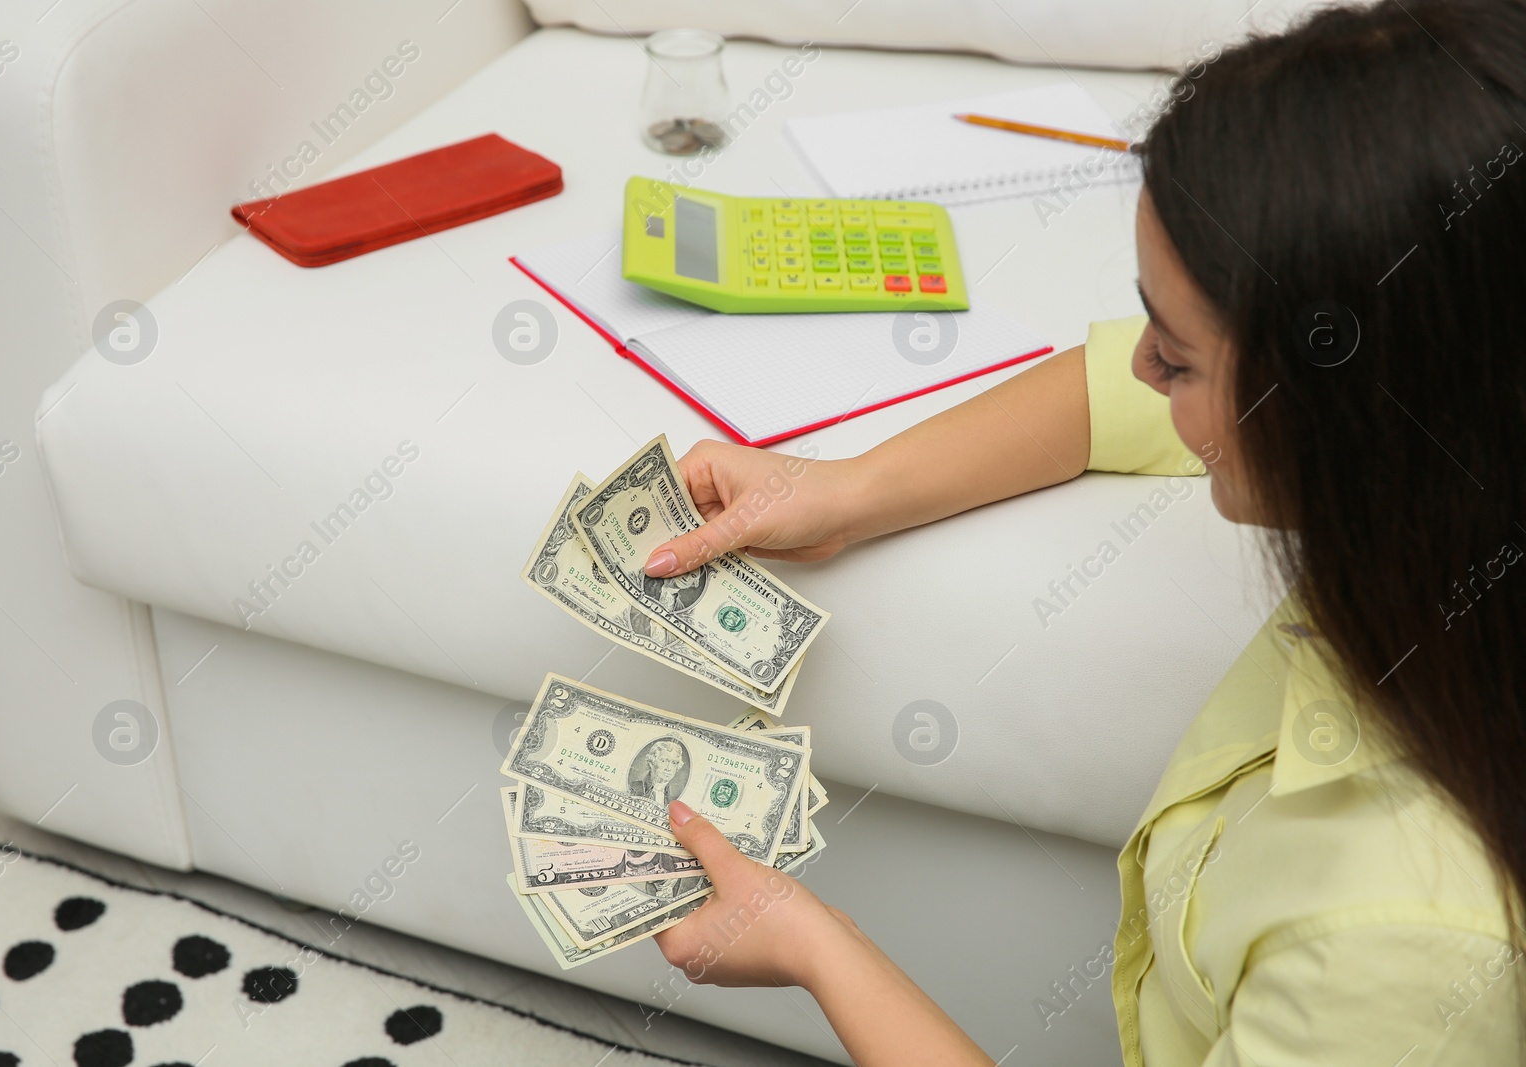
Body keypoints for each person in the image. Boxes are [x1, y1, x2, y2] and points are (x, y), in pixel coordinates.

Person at [641, 1, 1526, 1063]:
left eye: (1182, 356)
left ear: (1346, 409)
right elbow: (1108, 388)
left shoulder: (1402, 939)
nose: (1144, 366)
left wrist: (818, 945)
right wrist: (847, 488)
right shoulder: (1464, 436)